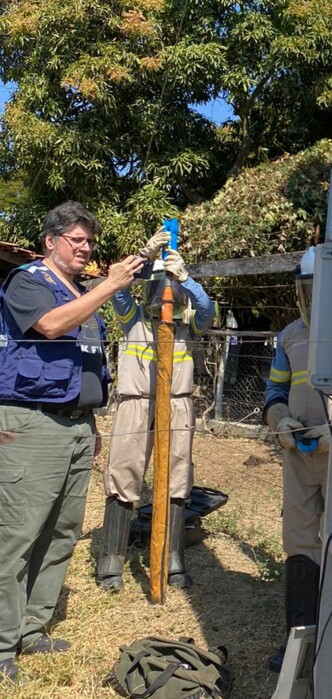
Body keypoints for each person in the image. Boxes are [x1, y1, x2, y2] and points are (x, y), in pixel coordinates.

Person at [0, 202, 145, 684]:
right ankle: (2, 646)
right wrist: (111, 285)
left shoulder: (81, 291)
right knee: (17, 535)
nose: (85, 249)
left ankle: (33, 627)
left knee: (62, 532)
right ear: (50, 241)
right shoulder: (28, 283)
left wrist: (92, 423)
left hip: (77, 426)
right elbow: (51, 327)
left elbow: (86, 364)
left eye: (88, 242)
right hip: (31, 425)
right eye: (75, 241)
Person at [96, 234, 215, 592]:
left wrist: (187, 279)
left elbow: (207, 311)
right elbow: (115, 288)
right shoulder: (132, 318)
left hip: (178, 404)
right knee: (123, 474)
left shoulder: (188, 325)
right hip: (136, 402)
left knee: (178, 475)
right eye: (158, 285)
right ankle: (112, 559)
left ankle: (171, 557)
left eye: (171, 287)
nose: (164, 294)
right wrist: (142, 257)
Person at [262, 246, 330, 671]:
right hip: (299, 454)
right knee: (299, 541)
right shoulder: (290, 336)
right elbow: (274, 393)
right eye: (306, 290)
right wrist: (281, 422)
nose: (311, 299)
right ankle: (299, 643)